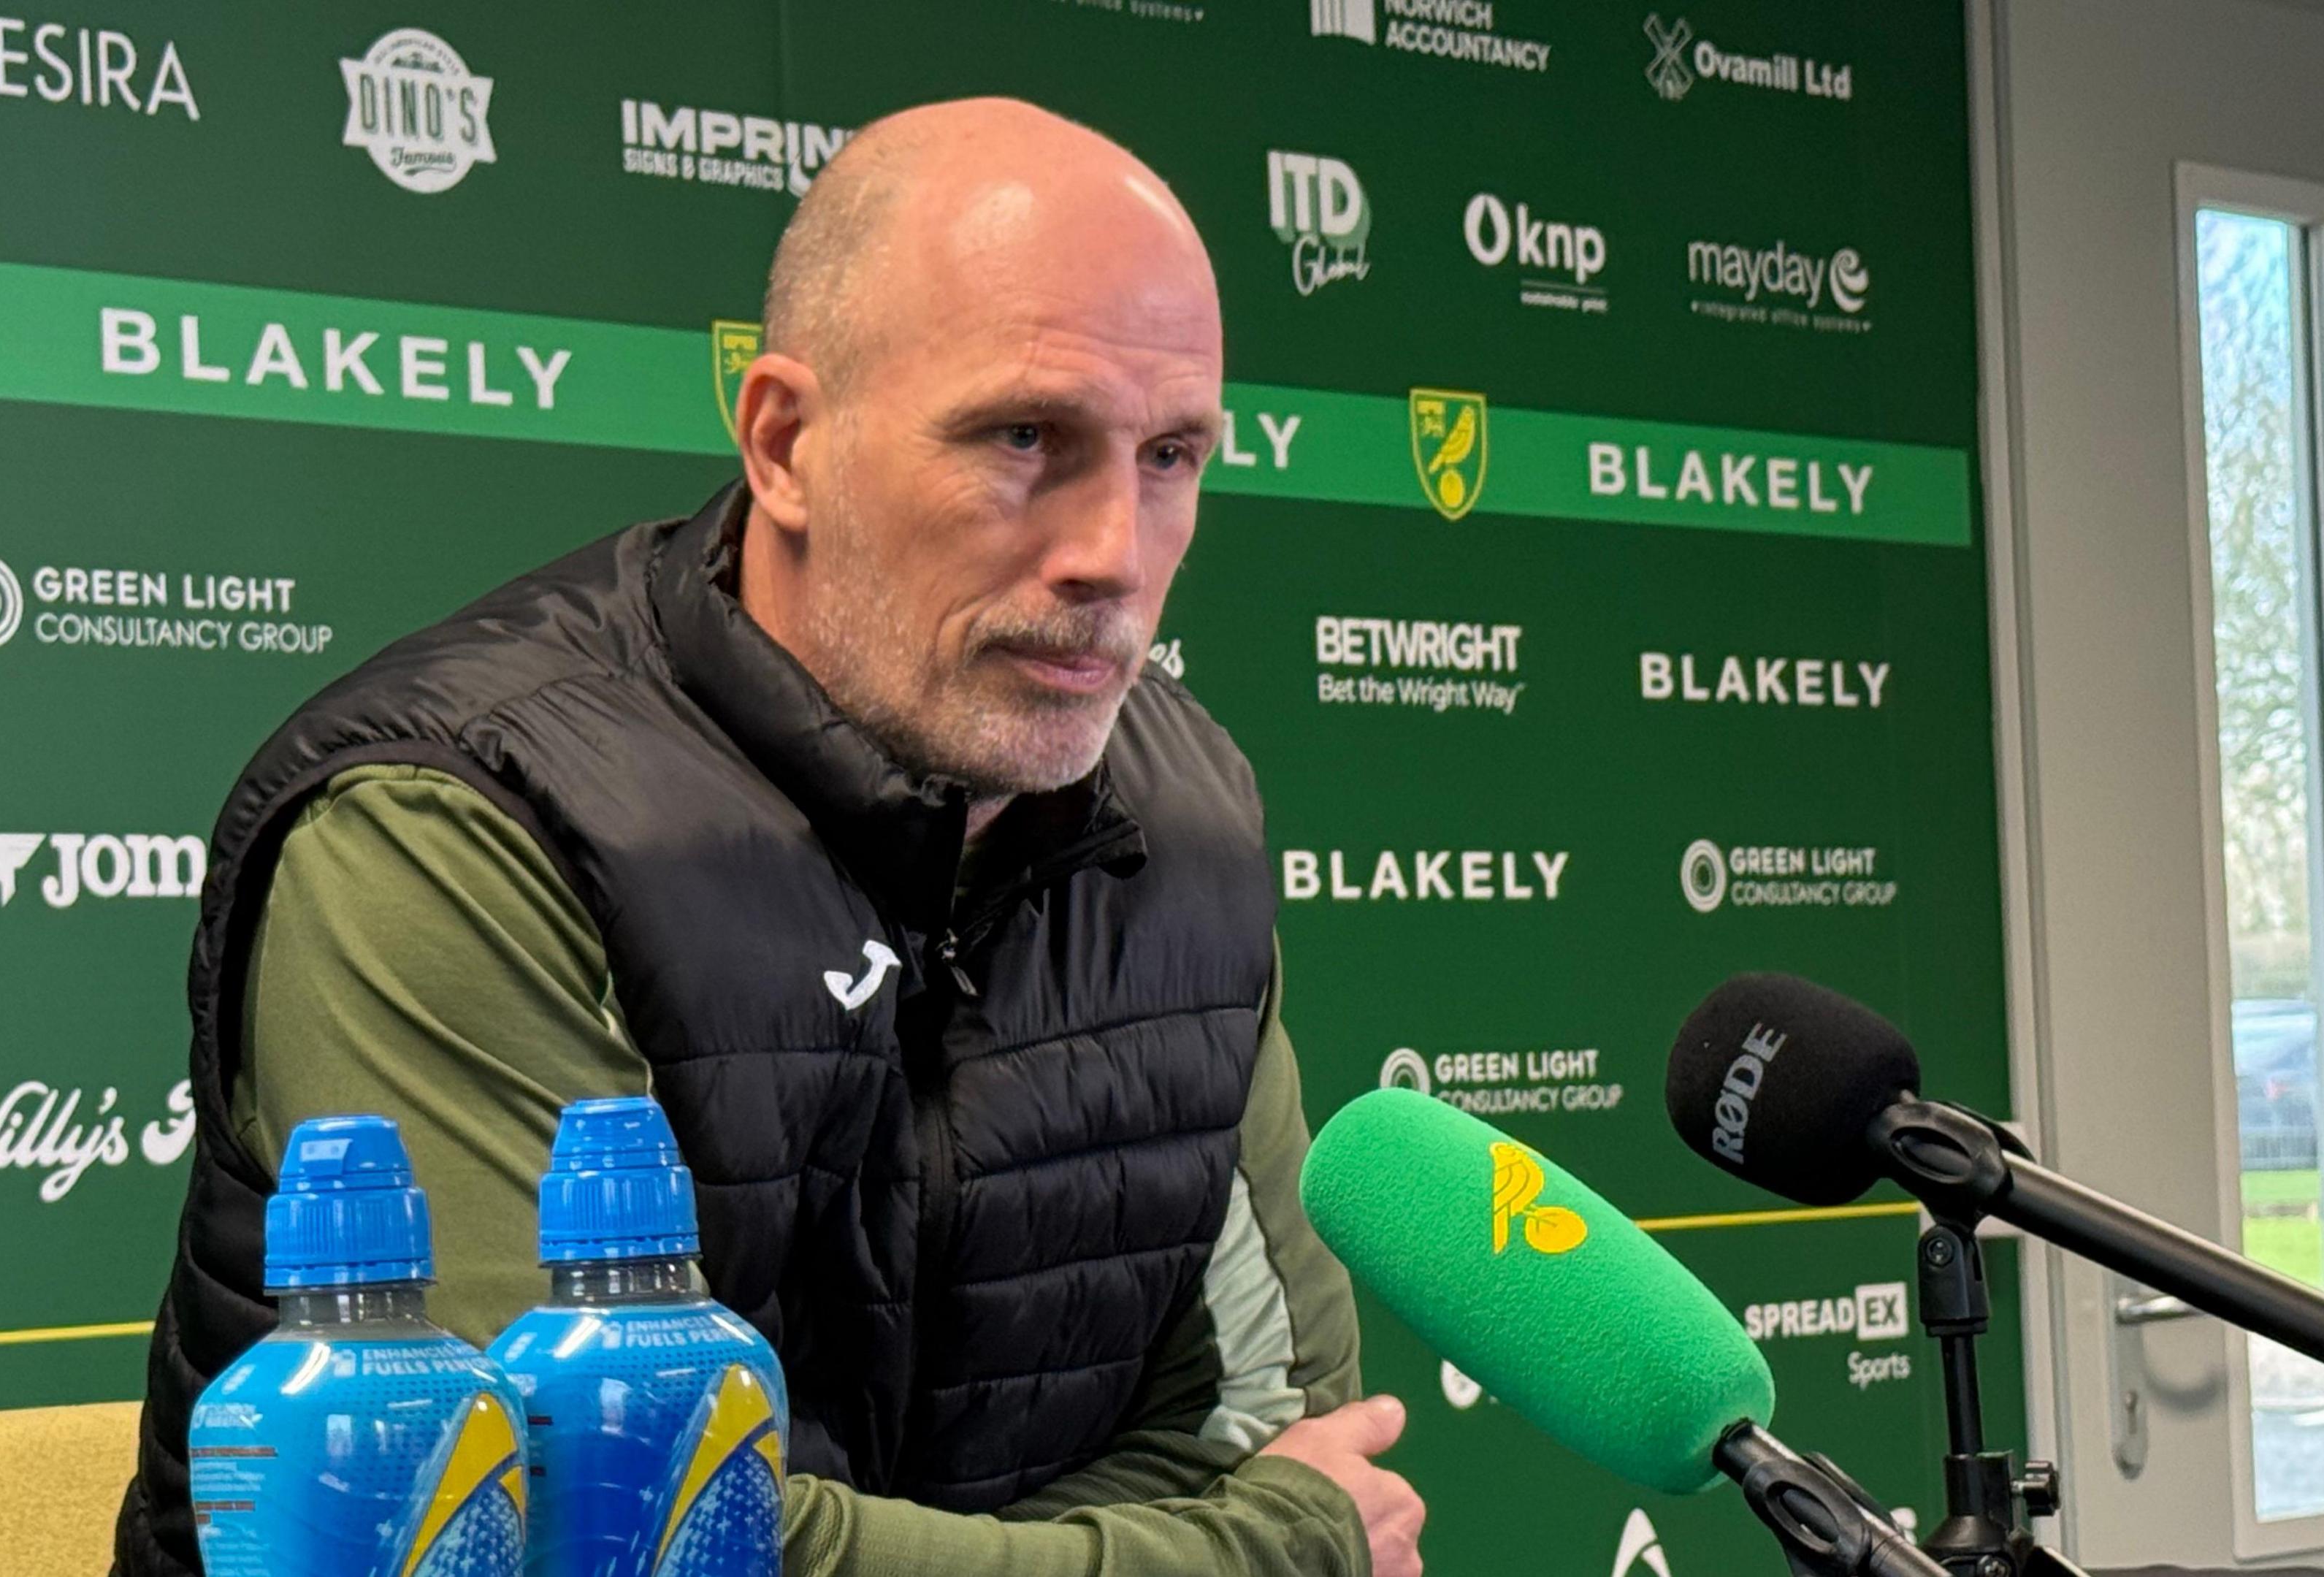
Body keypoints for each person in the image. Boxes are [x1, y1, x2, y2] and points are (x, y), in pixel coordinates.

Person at [110, 96, 1427, 1577]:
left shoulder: (1184, 823)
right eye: (1023, 437)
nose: (1113, 553)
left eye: (1173, 455)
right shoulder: (450, 824)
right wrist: (1247, 1558)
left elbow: (1274, 1424)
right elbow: (568, 1532)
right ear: (787, 441)